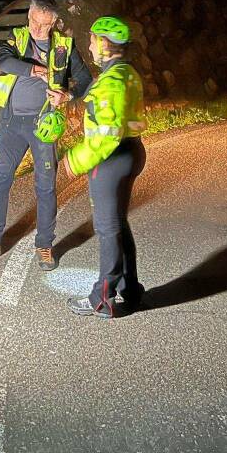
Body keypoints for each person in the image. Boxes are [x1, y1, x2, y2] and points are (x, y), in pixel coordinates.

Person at [0, 0, 92, 271]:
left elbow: (86, 81)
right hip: (11, 123)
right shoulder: (17, 38)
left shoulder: (64, 47)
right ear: (28, 17)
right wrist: (35, 69)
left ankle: (44, 245)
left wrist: (67, 95)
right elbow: (4, 62)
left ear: (54, 23)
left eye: (44, 25)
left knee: (45, 186)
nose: (37, 29)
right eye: (33, 22)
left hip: (44, 125)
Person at [61, 17, 147, 319]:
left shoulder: (109, 82)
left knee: (108, 228)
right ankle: (130, 289)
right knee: (119, 224)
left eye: (93, 39)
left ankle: (102, 299)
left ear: (104, 44)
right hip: (132, 150)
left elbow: (105, 136)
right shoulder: (128, 74)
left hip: (109, 160)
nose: (90, 45)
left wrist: (75, 159)